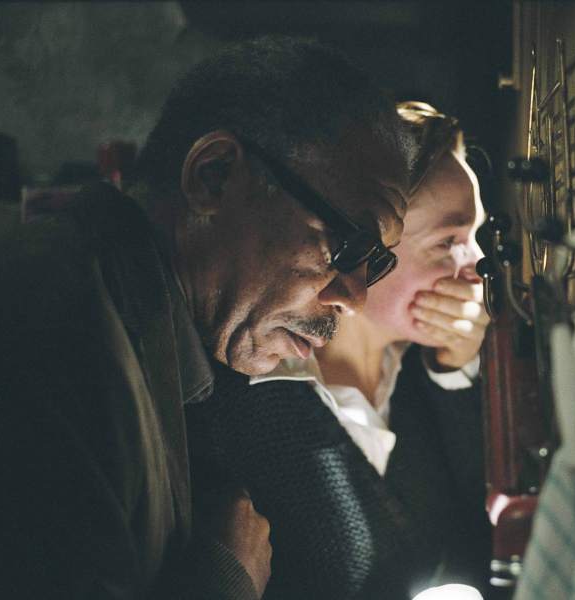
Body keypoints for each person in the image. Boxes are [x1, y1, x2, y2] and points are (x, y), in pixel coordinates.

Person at [0, 36, 414, 600]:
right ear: (214, 176)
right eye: (349, 244)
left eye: (376, 263)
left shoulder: (147, 329)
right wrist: (226, 580)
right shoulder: (46, 333)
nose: (353, 299)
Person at [185, 102, 493, 600]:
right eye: (448, 242)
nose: (478, 264)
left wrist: (455, 372)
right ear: (371, 242)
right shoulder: (240, 389)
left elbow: (481, 532)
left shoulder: (422, 370)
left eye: (477, 234)